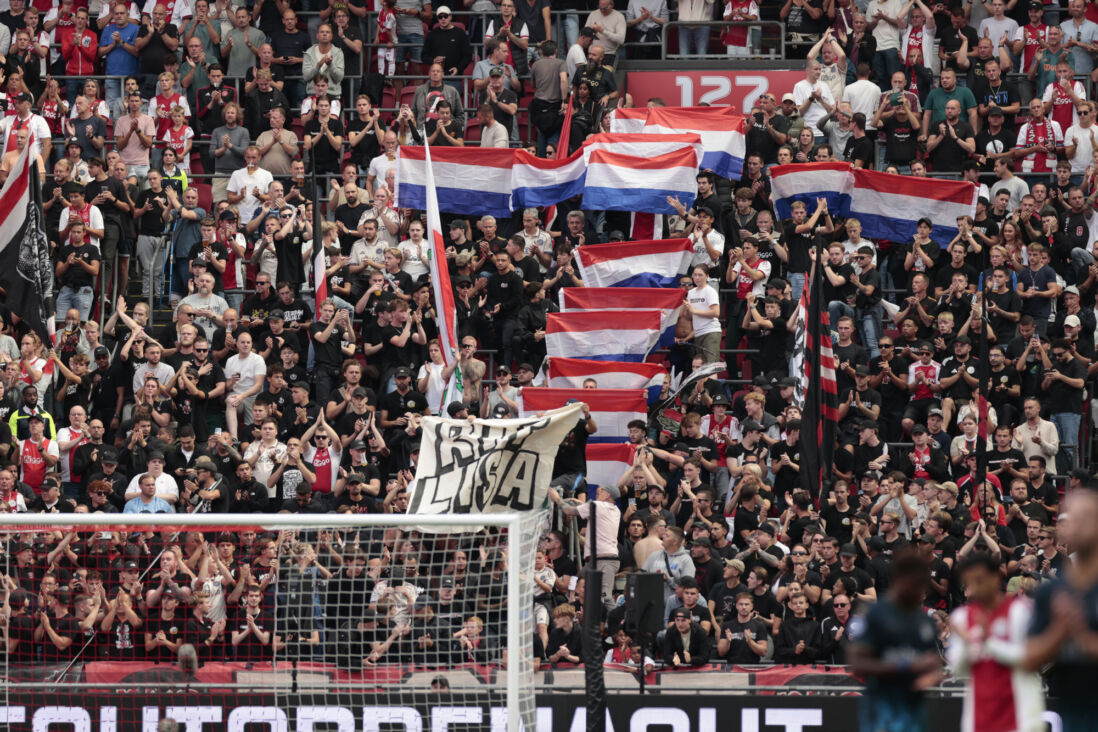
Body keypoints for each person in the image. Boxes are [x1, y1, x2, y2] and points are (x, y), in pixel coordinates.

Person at [948, 553, 1045, 732]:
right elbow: (959, 668)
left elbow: (1029, 659)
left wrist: (988, 643)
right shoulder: (961, 617)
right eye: (970, 582)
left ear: (995, 578)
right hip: (978, 719)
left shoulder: (1020, 612)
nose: (975, 587)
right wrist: (969, 642)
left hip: (1020, 718)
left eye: (980, 580)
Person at [849, 550, 942, 731]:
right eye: (915, 584)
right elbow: (857, 663)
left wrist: (931, 677)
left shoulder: (926, 622)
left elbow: (932, 665)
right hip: (880, 712)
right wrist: (905, 666)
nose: (920, 591)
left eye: (923, 586)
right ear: (900, 579)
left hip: (914, 713)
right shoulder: (873, 615)